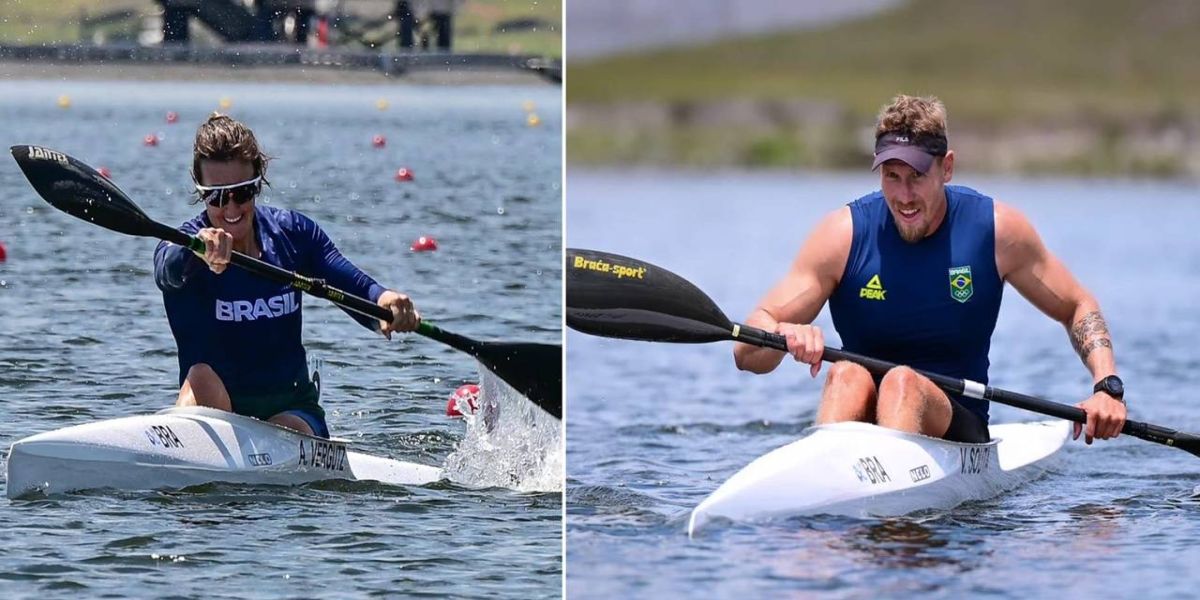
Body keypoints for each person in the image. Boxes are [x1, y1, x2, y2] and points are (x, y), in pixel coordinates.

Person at [733, 95, 1126, 445]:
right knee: (845, 375)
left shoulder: (996, 231)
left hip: (957, 421)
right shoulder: (842, 236)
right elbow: (746, 353)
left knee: (902, 382)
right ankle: (829, 492)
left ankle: (882, 497)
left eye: (917, 176)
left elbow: (1076, 305)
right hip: (860, 417)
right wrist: (782, 335)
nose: (904, 196)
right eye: (892, 177)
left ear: (947, 168)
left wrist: (1106, 388)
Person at [154, 114, 420, 438]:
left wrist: (386, 302)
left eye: (243, 192)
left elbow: (354, 285)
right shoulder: (183, 247)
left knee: (286, 428)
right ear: (200, 192)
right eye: (217, 196)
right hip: (216, 406)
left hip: (291, 413)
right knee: (201, 376)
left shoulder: (292, 234)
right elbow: (166, 271)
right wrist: (195, 251)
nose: (231, 208)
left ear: (258, 184)